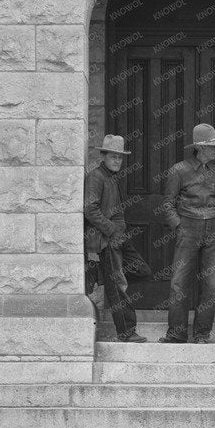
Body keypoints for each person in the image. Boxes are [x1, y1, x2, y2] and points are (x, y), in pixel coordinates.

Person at [160, 123, 215, 344]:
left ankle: (202, 334)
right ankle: (176, 334)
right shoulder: (179, 170)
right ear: (200, 147)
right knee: (179, 283)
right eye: (213, 146)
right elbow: (167, 203)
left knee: (211, 284)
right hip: (188, 228)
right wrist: (179, 225)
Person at [83, 134, 149, 343]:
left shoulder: (111, 177)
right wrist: (112, 230)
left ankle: (106, 277)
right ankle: (126, 332)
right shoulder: (96, 177)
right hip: (106, 240)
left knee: (141, 270)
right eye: (113, 157)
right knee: (117, 286)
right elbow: (90, 210)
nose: (117, 161)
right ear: (104, 156)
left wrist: (119, 233)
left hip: (117, 238)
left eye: (120, 158)